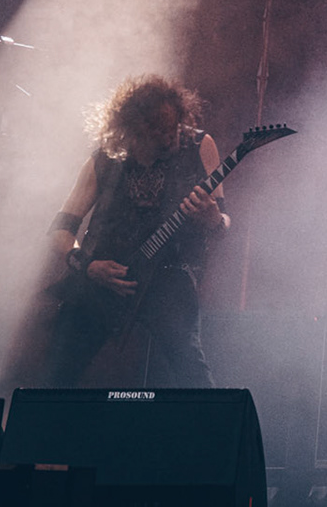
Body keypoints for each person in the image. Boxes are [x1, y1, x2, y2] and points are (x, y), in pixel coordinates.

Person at [40, 74, 227, 387]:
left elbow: (223, 225)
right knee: (57, 377)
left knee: (192, 373)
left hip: (166, 276)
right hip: (102, 279)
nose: (170, 139)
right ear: (132, 131)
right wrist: (86, 265)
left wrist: (212, 218)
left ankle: (216, 432)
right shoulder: (105, 159)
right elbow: (59, 231)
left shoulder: (199, 146)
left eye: (173, 128)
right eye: (158, 132)